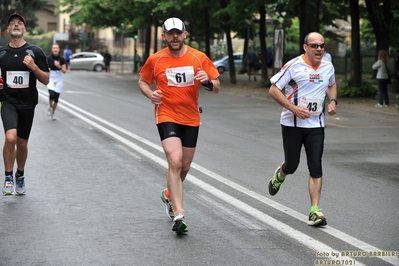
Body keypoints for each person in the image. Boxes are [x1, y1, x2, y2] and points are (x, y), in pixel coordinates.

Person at [138, 17, 220, 234]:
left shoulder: (198, 57)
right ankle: (179, 213)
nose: (174, 37)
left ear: (185, 34)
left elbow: (217, 86)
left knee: (184, 166)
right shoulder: (155, 60)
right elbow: (143, 81)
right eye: (170, 33)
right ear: (163, 36)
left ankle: (168, 194)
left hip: (191, 117)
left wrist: (208, 83)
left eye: (178, 32)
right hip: (166, 114)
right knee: (174, 161)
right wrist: (151, 94)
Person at [268, 32, 337, 227]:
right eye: (314, 45)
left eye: (322, 45)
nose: (319, 49)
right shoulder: (294, 66)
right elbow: (273, 89)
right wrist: (294, 109)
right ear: (305, 47)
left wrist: (333, 101)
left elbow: (331, 85)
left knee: (316, 166)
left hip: (316, 125)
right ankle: (281, 173)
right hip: (292, 124)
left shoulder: (327, 66)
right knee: (292, 164)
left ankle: (315, 211)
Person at [0, 13, 49, 195]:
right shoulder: (2, 52)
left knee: (21, 143)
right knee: (10, 138)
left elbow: (46, 80)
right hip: (7, 101)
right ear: (8, 30)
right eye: (12, 23)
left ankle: (19, 175)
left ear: (24, 28)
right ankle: (7, 177)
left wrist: (34, 67)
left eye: (19, 23)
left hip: (28, 103)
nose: (16, 25)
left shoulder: (35, 52)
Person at [47, 43, 67, 120]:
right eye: (54, 48)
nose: (55, 49)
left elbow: (64, 71)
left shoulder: (62, 59)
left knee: (56, 98)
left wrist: (59, 66)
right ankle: (50, 105)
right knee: (51, 94)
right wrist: (47, 70)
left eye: (57, 48)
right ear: (52, 49)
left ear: (59, 49)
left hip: (58, 79)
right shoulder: (48, 59)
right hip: (51, 78)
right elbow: (45, 69)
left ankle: (53, 112)